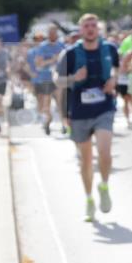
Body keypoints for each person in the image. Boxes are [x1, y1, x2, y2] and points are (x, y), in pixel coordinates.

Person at [57, 13, 119, 222]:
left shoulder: (110, 49)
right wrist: (74, 78)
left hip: (104, 108)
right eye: (86, 26)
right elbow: (57, 81)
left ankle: (104, 185)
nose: (90, 29)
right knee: (85, 160)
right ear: (81, 29)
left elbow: (116, 69)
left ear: (98, 29)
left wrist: (113, 80)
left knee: (104, 150)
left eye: (93, 25)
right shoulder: (70, 54)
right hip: (79, 111)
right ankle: (89, 199)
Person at [31, 25, 64, 135]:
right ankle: (48, 122)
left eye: (54, 33)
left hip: (59, 78)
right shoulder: (42, 47)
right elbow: (38, 63)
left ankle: (63, 124)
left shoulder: (61, 45)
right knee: (47, 103)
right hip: (46, 78)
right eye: (50, 33)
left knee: (60, 102)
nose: (53, 35)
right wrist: (52, 60)